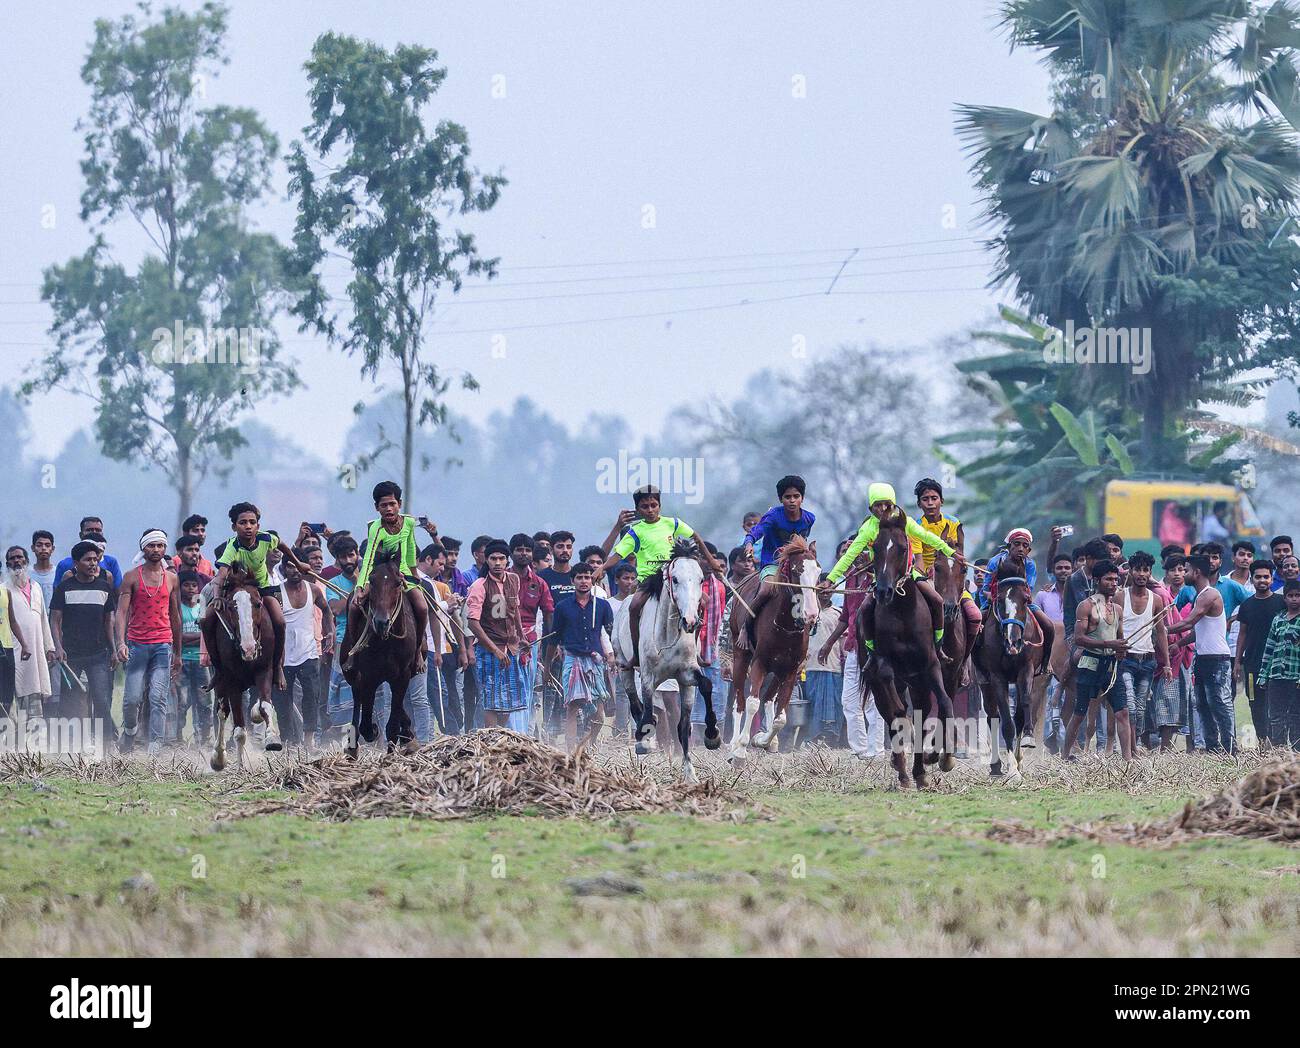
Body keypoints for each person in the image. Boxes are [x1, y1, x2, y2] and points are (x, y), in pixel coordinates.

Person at [819, 483, 961, 663]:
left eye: (886, 504)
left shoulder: (905, 523)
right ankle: (871, 652)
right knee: (864, 609)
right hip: (881, 580)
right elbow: (850, 555)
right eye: (877, 506)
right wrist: (830, 580)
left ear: (893, 505)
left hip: (908, 575)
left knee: (937, 600)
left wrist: (952, 553)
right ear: (871, 508)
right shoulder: (868, 528)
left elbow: (927, 537)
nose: (882, 509)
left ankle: (938, 647)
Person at [598, 485, 720, 667]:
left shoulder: (672, 523)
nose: (650, 510)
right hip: (649, 580)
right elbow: (618, 554)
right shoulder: (635, 531)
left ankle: (695, 651)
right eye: (645, 507)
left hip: (672, 577)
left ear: (660, 505)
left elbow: (695, 537)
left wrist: (711, 561)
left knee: (702, 601)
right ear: (638, 509)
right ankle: (637, 653)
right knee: (634, 606)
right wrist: (601, 567)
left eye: (653, 505)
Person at [209, 504, 314, 691]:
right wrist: (217, 596)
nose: (248, 526)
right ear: (234, 527)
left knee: (280, 621)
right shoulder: (232, 546)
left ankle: (277, 667)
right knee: (205, 618)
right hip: (235, 589)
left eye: (252, 522)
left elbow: (281, 544)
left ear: (258, 525)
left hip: (262, 588)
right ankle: (218, 670)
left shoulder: (266, 538)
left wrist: (298, 563)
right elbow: (223, 572)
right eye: (243, 523)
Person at [342, 482, 431, 678]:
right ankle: (353, 652)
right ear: (377, 508)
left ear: (399, 503)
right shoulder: (375, 528)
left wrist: (414, 575)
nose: (389, 509)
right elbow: (368, 560)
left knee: (422, 607)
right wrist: (360, 586)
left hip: (402, 573)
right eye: (384, 505)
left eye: (392, 504)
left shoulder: (408, 522)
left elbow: (409, 550)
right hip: (378, 573)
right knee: (354, 606)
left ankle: (417, 652)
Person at [115, 529, 182, 755]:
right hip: (137, 644)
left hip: (163, 645)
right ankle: (131, 731)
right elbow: (122, 613)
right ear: (143, 548)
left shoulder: (171, 578)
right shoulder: (132, 577)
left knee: (158, 697)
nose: (156, 550)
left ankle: (155, 746)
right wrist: (120, 643)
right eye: (151, 546)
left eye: (160, 546)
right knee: (132, 698)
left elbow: (176, 617)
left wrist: (178, 653)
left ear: (165, 549)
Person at [1061, 560, 1131, 761]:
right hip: (1089, 663)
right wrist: (1110, 643)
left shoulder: (1117, 609)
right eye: (1108, 579)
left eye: (1116, 579)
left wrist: (1121, 650)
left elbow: (1120, 637)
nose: (1113, 583)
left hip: (1111, 666)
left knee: (1122, 712)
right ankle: (1065, 756)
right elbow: (1079, 639)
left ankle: (1128, 761)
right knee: (1080, 712)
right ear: (1096, 580)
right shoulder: (1086, 606)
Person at [49, 541, 118, 743]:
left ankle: (105, 747)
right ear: (76, 563)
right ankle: (69, 746)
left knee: (102, 700)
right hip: (71, 654)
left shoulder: (105, 587)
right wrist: (58, 647)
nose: (93, 563)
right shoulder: (64, 588)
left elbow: (109, 622)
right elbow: (55, 620)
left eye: (96, 559)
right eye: (88, 559)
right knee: (69, 701)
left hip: (98, 654)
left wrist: (113, 649)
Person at [735, 475, 816, 643]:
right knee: (766, 590)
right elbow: (756, 532)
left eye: (796, 496)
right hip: (772, 563)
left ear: (802, 498)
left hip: (794, 566)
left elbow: (802, 542)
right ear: (781, 499)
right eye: (787, 497)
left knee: (810, 587)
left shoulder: (809, 518)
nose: (792, 501)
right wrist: (749, 543)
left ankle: (813, 622)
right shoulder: (773, 516)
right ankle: (746, 626)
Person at [1168, 554, 1235, 754]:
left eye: (1185, 570)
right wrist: (1179, 642)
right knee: (1204, 705)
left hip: (1217, 659)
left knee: (1220, 704)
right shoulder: (1201, 595)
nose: (1182, 574)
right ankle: (1213, 748)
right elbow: (1199, 631)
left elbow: (1188, 623)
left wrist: (1164, 630)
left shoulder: (1209, 595)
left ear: (1196, 573)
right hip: (1204, 658)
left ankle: (1231, 748)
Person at [549, 562, 615, 751]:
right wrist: (548, 664)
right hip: (572, 659)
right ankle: (571, 751)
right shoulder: (562, 607)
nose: (584, 581)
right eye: (580, 577)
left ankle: (590, 745)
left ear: (592, 580)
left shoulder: (602, 606)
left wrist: (612, 656)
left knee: (599, 713)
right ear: (573, 581)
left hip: (595, 662)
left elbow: (610, 634)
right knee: (572, 707)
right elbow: (555, 637)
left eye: (587, 577)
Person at [466, 540, 529, 728]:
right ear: (487, 560)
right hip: (488, 650)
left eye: (502, 558)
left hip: (511, 647)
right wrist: (495, 650)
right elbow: (473, 623)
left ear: (507, 561)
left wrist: (521, 635)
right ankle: (490, 740)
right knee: (491, 700)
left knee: (509, 700)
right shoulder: (480, 585)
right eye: (493, 559)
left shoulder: (513, 579)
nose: (498, 563)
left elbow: (514, 609)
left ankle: (501, 737)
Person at [1116, 551, 1171, 755]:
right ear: (1130, 571)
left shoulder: (1157, 600)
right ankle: (1129, 750)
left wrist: (1165, 663)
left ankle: (1134, 745)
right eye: (1137, 569)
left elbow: (1161, 632)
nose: (1141, 574)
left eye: (1145, 570)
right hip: (1125, 660)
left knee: (1139, 710)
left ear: (1150, 573)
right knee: (1129, 706)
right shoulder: (1120, 596)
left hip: (1147, 662)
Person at [979, 528, 1056, 672]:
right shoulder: (995, 562)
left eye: (1025, 546)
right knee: (974, 625)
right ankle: (976, 665)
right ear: (1009, 546)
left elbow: (1029, 588)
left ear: (1029, 550)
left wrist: (1023, 596)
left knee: (1049, 626)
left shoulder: (1030, 565)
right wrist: (991, 596)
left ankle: (1045, 662)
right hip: (996, 602)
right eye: (1017, 544)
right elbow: (985, 588)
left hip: (1021, 603)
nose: (1021, 548)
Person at [1235, 560, 1285, 747]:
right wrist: (1237, 662)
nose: (1262, 580)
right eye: (1258, 577)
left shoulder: (1282, 603)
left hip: (1277, 665)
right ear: (1252, 579)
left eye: (1266, 577)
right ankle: (1263, 743)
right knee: (1255, 704)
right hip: (1252, 665)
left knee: (1276, 706)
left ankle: (1278, 744)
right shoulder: (1247, 605)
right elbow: (1242, 634)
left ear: (1272, 579)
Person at [4, 546, 55, 722]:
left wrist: (50, 647)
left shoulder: (36, 588)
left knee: (34, 697)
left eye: (20, 557)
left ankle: (33, 745)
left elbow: (43, 620)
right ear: (7, 564)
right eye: (12, 558)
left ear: (26, 561)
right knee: (10, 700)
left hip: (36, 652)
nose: (16, 561)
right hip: (11, 653)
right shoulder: (4, 590)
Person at [1256, 581, 1300, 748]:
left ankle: (1296, 752)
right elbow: (1269, 648)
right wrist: (1263, 674)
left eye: (1298, 595)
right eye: (1290, 596)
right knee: (1276, 715)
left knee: (1296, 715)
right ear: (1285, 598)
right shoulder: (1278, 619)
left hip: (1295, 676)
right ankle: (1278, 750)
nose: (1294, 599)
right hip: (1276, 675)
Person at [804, 579, 844, 745]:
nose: (825, 592)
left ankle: (830, 738)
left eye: (829, 590)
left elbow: (842, 641)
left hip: (832, 665)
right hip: (810, 664)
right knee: (812, 702)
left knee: (832, 703)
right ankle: (811, 737)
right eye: (822, 589)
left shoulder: (838, 613)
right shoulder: (807, 612)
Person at [173, 570, 210, 746]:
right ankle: (178, 736)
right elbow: (177, 636)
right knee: (182, 701)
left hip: (201, 659)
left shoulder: (201, 604)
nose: (190, 589)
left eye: (194, 585)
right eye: (186, 585)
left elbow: (207, 632)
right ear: (180, 588)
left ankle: (203, 738)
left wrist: (192, 636)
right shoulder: (177, 607)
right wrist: (200, 636)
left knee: (204, 701)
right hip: (182, 660)